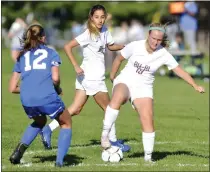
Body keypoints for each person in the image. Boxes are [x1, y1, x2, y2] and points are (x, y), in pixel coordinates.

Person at [100, 23, 205, 163]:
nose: (156, 42)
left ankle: (148, 159)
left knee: (147, 118)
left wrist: (195, 85)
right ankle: (105, 135)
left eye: (159, 40)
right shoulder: (135, 45)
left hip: (144, 87)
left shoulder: (163, 54)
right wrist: (113, 77)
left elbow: (179, 70)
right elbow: (119, 59)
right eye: (153, 38)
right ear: (148, 35)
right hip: (126, 80)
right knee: (118, 97)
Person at [41, 4, 130, 152]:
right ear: (91, 18)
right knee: (110, 109)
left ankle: (48, 129)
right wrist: (76, 65)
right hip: (92, 78)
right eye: (97, 17)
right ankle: (112, 141)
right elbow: (67, 47)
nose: (100, 20)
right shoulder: (88, 33)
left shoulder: (105, 31)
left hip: (87, 78)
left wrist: (123, 46)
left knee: (75, 109)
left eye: (102, 17)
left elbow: (110, 46)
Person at [9, 24, 72, 167]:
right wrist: (57, 88)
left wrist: (29, 89)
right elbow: (55, 79)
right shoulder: (51, 52)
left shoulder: (22, 55)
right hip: (46, 96)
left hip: (26, 98)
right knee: (66, 122)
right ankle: (59, 162)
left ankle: (18, 152)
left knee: (39, 121)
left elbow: (12, 88)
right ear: (43, 38)